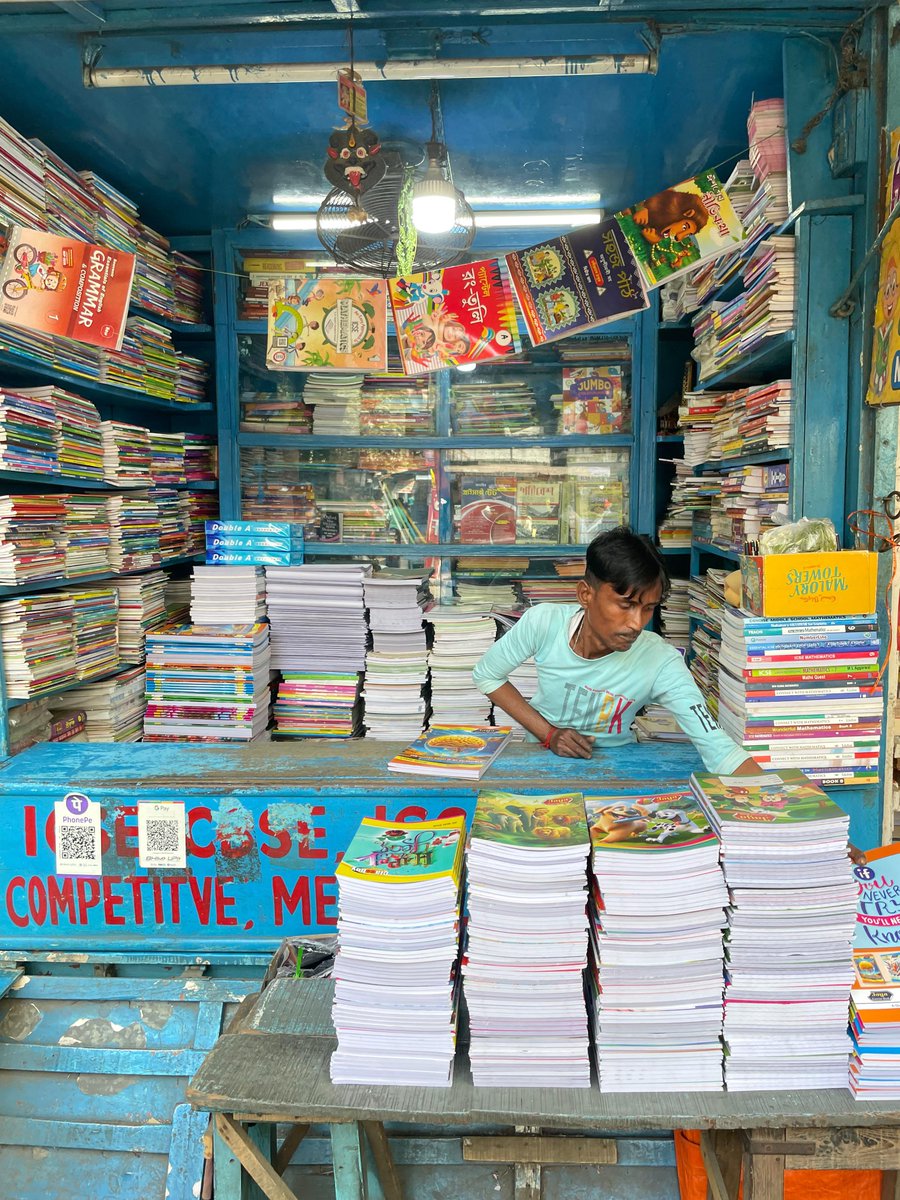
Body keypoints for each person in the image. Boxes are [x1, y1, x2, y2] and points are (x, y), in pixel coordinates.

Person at [473, 526, 759, 776]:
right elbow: (487, 675)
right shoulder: (544, 622)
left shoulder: (660, 660)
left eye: (648, 608)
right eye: (626, 605)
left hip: (619, 769)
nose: (637, 624)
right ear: (586, 594)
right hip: (539, 762)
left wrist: (785, 809)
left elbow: (717, 746)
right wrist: (548, 734)